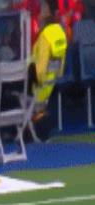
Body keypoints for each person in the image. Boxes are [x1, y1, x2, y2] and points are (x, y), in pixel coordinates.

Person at [28, 2, 67, 140]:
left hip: (39, 82)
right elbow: (61, 59)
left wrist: (36, 78)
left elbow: (42, 63)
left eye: (42, 10)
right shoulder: (59, 32)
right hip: (52, 80)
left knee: (9, 89)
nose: (39, 14)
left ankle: (11, 131)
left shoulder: (45, 35)